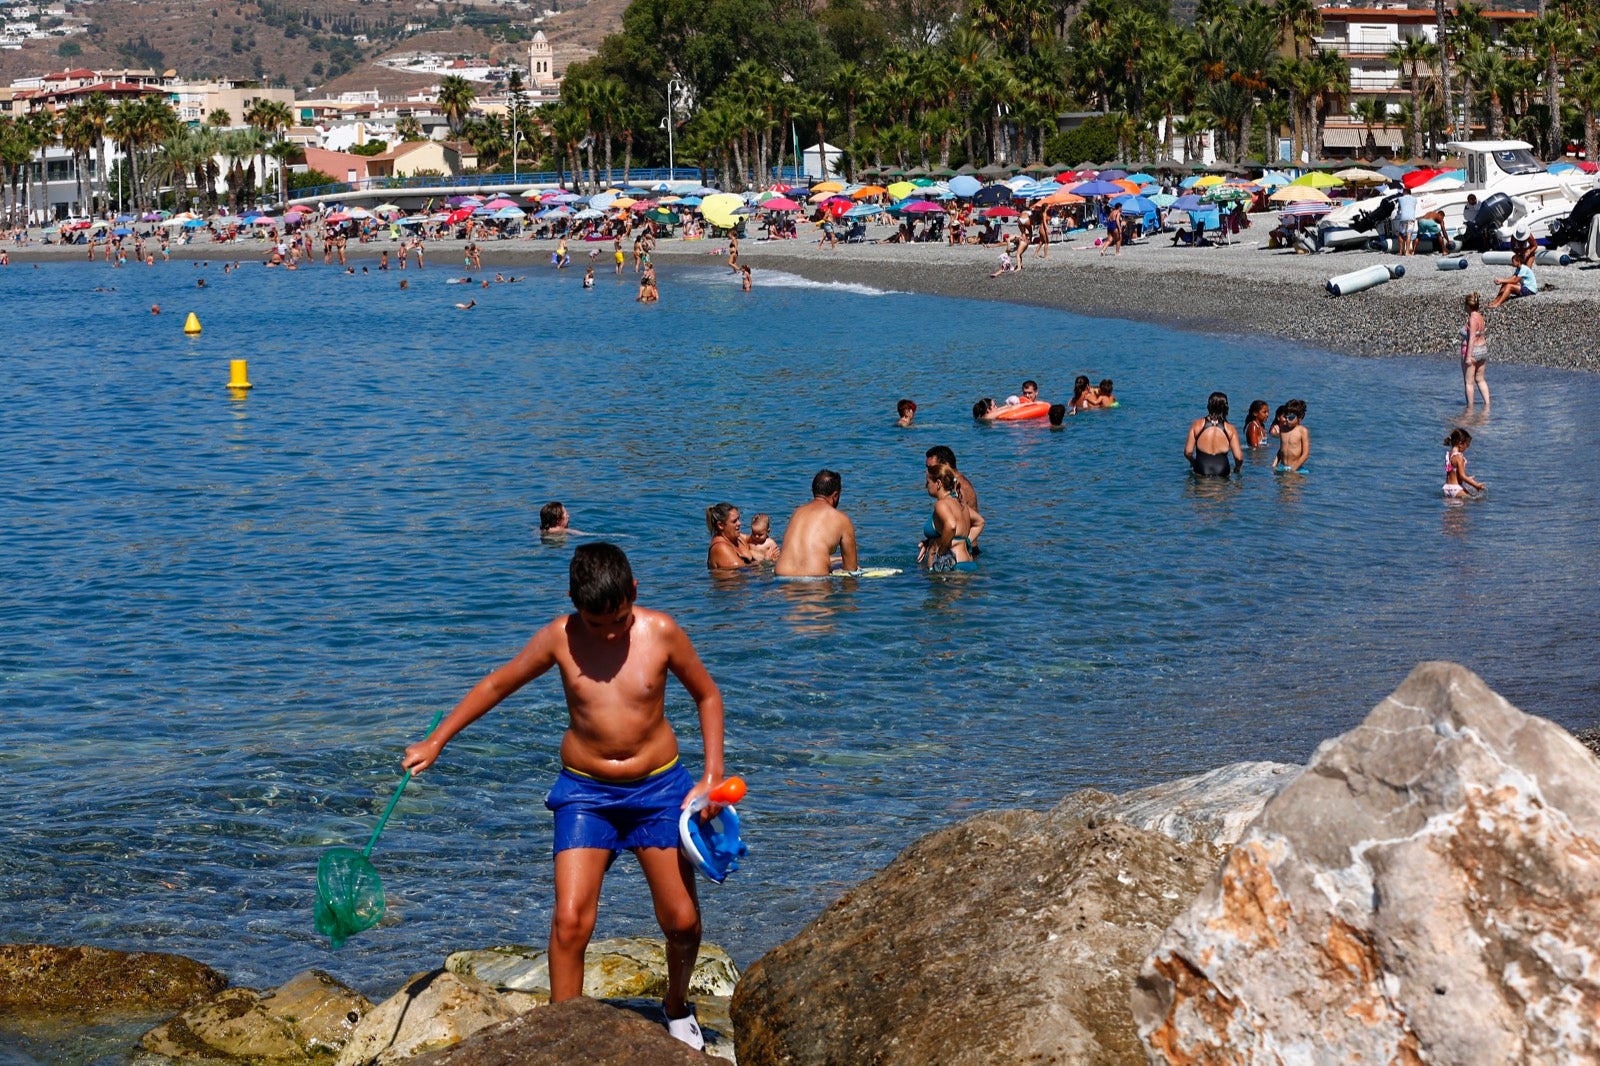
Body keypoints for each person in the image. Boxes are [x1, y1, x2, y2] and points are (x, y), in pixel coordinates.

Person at [401, 543, 724, 1051]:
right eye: (597, 624)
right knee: (571, 919)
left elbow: (707, 694)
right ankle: (563, 1030)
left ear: (634, 594)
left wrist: (711, 776)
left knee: (681, 922)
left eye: (618, 620)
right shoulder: (559, 638)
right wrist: (436, 740)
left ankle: (678, 1006)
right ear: (574, 602)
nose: (611, 632)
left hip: (660, 789)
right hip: (586, 794)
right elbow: (497, 684)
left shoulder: (660, 632)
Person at [774, 469, 858, 577]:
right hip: (815, 583)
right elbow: (851, 569)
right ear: (835, 495)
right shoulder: (842, 519)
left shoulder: (797, 512)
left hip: (781, 580)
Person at [918, 462, 976, 571]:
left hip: (952, 567)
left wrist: (941, 553)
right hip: (967, 562)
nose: (926, 486)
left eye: (928, 482)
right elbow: (979, 522)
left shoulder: (941, 504)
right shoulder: (960, 503)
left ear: (938, 483)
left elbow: (951, 526)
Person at [924, 446, 983, 552]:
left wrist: (942, 552)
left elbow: (953, 526)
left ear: (946, 466)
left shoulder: (958, 488)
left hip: (959, 554)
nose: (928, 472)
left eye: (931, 467)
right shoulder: (952, 486)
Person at [1183, 391, 1243, 478]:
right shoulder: (1230, 429)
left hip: (1201, 469)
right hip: (1222, 470)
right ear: (1226, 408)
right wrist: (1237, 468)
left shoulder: (1197, 425)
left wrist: (1193, 462)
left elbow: (1188, 452)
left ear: (1209, 406)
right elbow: (1239, 458)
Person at [1460, 292, 1490, 409]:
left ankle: (1470, 410)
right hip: (1483, 349)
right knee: (1480, 379)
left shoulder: (1472, 319)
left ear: (1468, 306)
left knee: (1469, 382)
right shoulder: (1480, 317)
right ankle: (1487, 405)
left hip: (1472, 350)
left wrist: (1468, 357)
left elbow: (1472, 337)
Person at [705, 502, 755, 570]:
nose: (739, 523)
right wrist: (766, 560)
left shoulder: (737, 538)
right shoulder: (720, 548)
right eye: (734, 521)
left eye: (738, 519)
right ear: (720, 525)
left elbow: (758, 538)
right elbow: (742, 572)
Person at [1442, 428, 1485, 498]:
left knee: (1452, 508)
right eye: (1467, 445)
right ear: (1460, 444)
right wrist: (1476, 485)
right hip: (1456, 489)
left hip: (1447, 488)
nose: (1467, 448)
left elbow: (1452, 471)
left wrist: (1468, 478)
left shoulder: (1449, 454)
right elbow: (1462, 476)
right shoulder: (1459, 457)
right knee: (1476, 502)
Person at [1274, 399, 1310, 473]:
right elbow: (1281, 449)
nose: (1287, 420)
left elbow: (1305, 454)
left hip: (1296, 468)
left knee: (1292, 484)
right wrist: (1274, 464)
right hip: (1282, 467)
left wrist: (1293, 469)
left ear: (1299, 417)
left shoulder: (1302, 431)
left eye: (1291, 418)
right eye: (1286, 417)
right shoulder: (1283, 429)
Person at [1395, 190, 1419, 256]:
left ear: (1404, 192)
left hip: (1403, 218)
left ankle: (1400, 252)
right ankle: (1407, 252)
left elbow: (1399, 208)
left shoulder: (1400, 199)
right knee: (1409, 234)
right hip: (1411, 218)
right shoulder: (1415, 199)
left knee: (1401, 234)